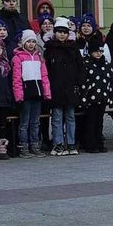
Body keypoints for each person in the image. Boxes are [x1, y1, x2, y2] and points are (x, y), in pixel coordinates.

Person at [45, 21, 83, 156]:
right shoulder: (50, 48)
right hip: (55, 87)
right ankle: (58, 143)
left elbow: (80, 67)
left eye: (65, 32)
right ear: (55, 33)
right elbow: (47, 69)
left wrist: (78, 83)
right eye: (59, 32)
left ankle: (71, 143)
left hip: (71, 87)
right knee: (56, 117)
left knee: (70, 117)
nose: (62, 35)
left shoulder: (73, 48)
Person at [11, 30, 50, 158]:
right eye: (28, 41)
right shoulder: (18, 58)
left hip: (37, 94)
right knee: (24, 123)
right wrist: (19, 96)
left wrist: (47, 93)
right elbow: (16, 79)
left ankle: (35, 145)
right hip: (26, 95)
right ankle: (24, 147)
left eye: (33, 41)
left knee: (35, 122)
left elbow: (44, 76)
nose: (31, 44)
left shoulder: (39, 57)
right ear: (23, 43)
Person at [77, 34, 113, 154]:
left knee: (99, 122)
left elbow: (110, 80)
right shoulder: (86, 63)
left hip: (102, 97)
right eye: (95, 51)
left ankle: (99, 143)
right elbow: (83, 82)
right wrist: (83, 98)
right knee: (90, 122)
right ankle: (90, 144)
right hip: (90, 98)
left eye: (100, 51)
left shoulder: (106, 64)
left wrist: (111, 96)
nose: (98, 53)